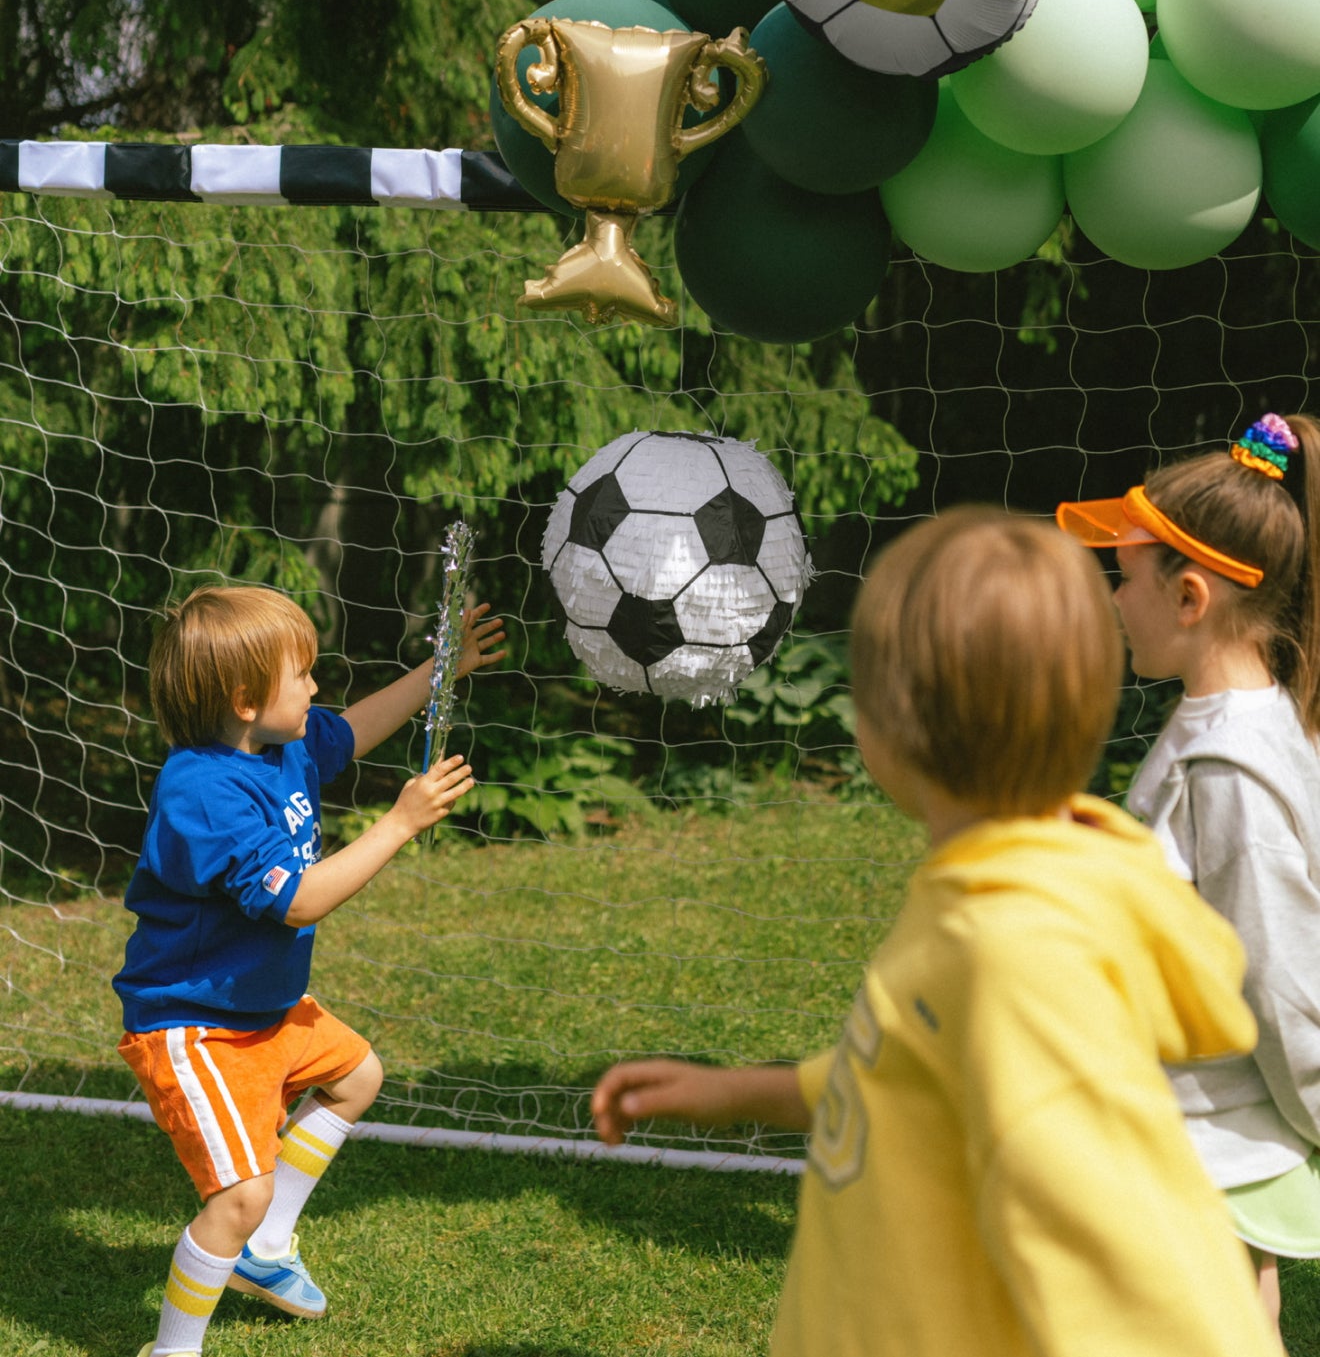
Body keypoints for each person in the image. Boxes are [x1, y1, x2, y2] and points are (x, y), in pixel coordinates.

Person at [592, 506, 1281, 1357]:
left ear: (890, 726)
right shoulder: (994, 882)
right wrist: (731, 1095)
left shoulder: (1016, 953)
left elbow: (1152, 1269)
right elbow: (906, 1064)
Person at [114, 582, 505, 1357]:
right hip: (196, 1025)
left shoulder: (280, 745)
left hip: (267, 1007)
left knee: (357, 1075)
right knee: (238, 1195)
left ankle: (266, 1248)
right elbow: (295, 901)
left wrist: (442, 670)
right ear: (246, 697)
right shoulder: (201, 791)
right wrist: (398, 823)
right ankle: (172, 1349)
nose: (318, 686)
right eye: (304, 674)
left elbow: (352, 728)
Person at [1057, 410, 1320, 1337]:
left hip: (1210, 1143)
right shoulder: (1232, 720)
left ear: (1190, 597)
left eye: (1125, 577)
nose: (1113, 598)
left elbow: (1283, 979)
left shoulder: (1232, 772)